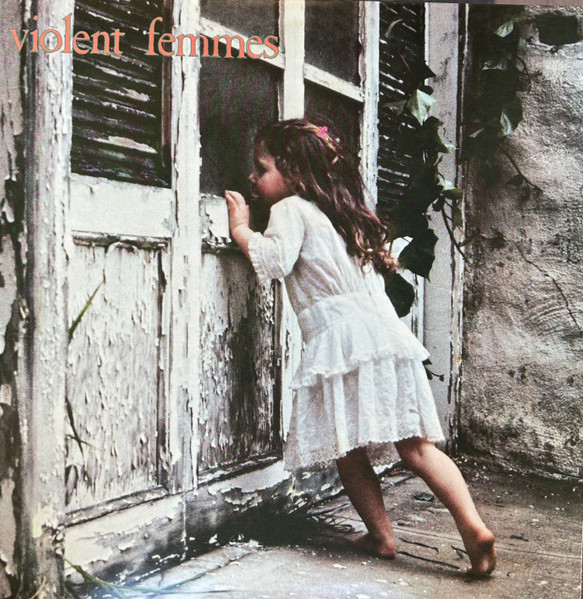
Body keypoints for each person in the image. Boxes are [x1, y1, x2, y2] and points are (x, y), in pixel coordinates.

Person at [225, 119, 496, 577]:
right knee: (417, 446)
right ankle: (472, 525)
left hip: (342, 342)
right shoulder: (341, 215)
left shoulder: (289, 208)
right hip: (385, 338)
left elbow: (274, 260)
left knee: (348, 448)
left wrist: (241, 229)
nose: (253, 178)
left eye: (262, 168)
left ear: (294, 174)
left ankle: (381, 535)